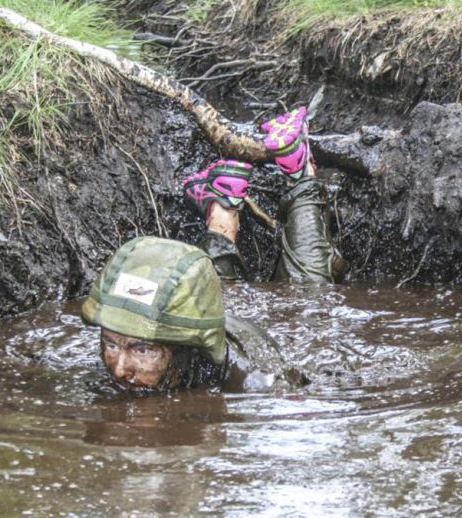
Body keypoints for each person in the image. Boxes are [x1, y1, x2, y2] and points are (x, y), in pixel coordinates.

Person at [82, 107, 344, 391]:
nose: (119, 369)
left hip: (266, 331)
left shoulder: (251, 379)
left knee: (308, 297)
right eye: (110, 344)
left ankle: (299, 174)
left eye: (142, 350)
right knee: (216, 289)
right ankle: (224, 202)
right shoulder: (187, 318)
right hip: (216, 304)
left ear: (182, 347)